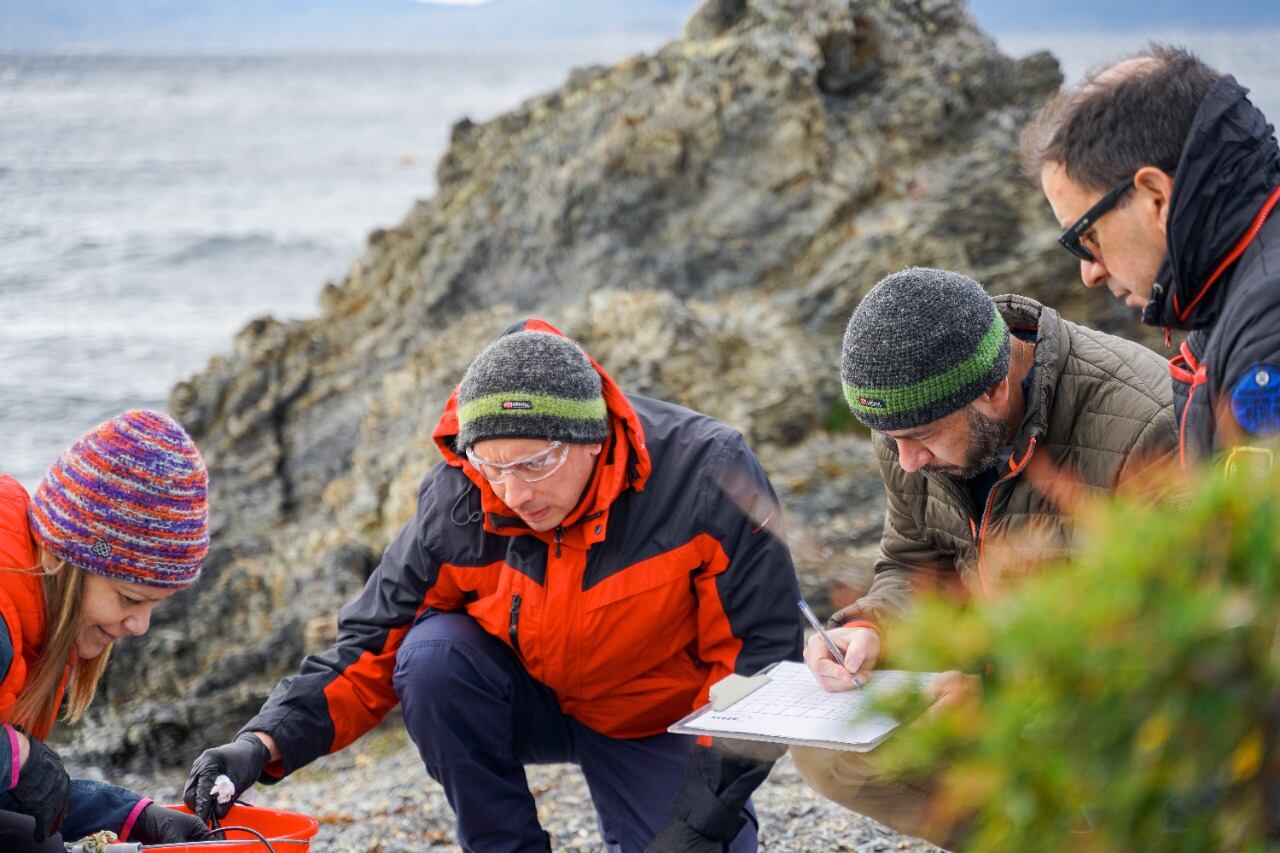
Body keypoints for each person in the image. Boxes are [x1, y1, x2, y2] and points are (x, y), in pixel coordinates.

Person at [185, 320, 804, 853]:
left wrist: (703, 815)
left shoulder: (708, 474)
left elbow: (760, 658)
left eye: (536, 463)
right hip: (522, 697)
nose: (515, 492)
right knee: (429, 659)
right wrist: (260, 744)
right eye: (494, 465)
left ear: (594, 437)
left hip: (656, 716)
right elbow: (370, 642)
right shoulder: (460, 496)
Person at [791, 268, 1177, 847]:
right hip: (999, 679)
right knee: (833, 754)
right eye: (889, 439)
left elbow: (1172, 635)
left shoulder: (1146, 424)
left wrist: (1005, 695)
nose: (907, 460)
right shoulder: (912, 414)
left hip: (1119, 704)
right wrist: (871, 625)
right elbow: (914, 557)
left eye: (919, 437)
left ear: (994, 390)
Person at [1025, 45, 1280, 474]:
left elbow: (1258, 537)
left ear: (1157, 198)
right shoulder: (1234, 291)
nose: (1089, 271)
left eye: (1087, 236)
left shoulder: (1267, 322)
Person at [0, 410, 213, 851]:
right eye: (130, 599)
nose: (140, 626)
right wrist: (14, 758)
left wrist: (136, 818)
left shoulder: (35, 607)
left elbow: (23, 796)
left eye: (154, 605)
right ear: (70, 560)